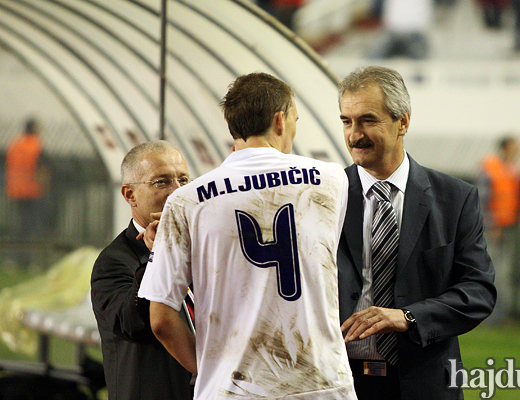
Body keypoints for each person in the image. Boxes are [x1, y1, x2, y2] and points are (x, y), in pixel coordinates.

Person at [138, 72, 357, 400]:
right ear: (280, 120)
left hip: (232, 390)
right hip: (323, 386)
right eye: (295, 119)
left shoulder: (186, 200)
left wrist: (211, 370)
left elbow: (161, 319)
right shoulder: (331, 178)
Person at [336, 66, 496, 399]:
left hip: (425, 383)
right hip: (340, 383)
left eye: (368, 120)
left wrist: (408, 316)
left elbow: (478, 291)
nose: (354, 135)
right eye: (346, 121)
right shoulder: (324, 196)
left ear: (403, 121)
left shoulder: (455, 198)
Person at [90, 140, 193, 400]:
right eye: (162, 181)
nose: (178, 191)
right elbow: (134, 323)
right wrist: (158, 257)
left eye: (183, 179)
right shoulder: (113, 261)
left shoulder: (201, 250)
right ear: (129, 194)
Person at [478, 135, 520, 325]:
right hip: (494, 229)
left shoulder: (512, 169)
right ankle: (491, 317)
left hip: (508, 226)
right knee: (494, 272)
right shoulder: (491, 168)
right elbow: (483, 199)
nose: (518, 151)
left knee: (504, 273)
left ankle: (499, 316)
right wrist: (492, 225)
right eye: (515, 147)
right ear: (504, 148)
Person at [5, 118, 51, 265]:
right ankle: (26, 260)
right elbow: (42, 168)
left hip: (15, 190)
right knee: (31, 228)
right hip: (32, 191)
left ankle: (15, 258)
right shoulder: (35, 145)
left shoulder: (15, 144)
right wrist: (45, 188)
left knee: (20, 226)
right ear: (34, 128)